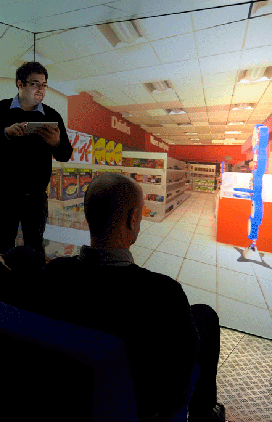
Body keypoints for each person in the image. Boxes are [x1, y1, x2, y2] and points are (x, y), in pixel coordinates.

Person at [36, 173, 227, 422]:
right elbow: (179, 377)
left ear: (87, 215)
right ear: (132, 218)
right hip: (141, 407)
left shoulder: (55, 273)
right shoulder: (163, 292)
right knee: (206, 315)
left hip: (71, 395)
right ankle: (205, 414)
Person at [0, 61, 73, 257]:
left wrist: (56, 143)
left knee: (35, 247)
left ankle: (33, 278)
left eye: (44, 85)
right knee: (2, 246)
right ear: (20, 84)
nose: (41, 90)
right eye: (35, 84)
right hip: (4, 195)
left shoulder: (52, 115)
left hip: (36, 197)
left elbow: (65, 154)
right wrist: (5, 133)